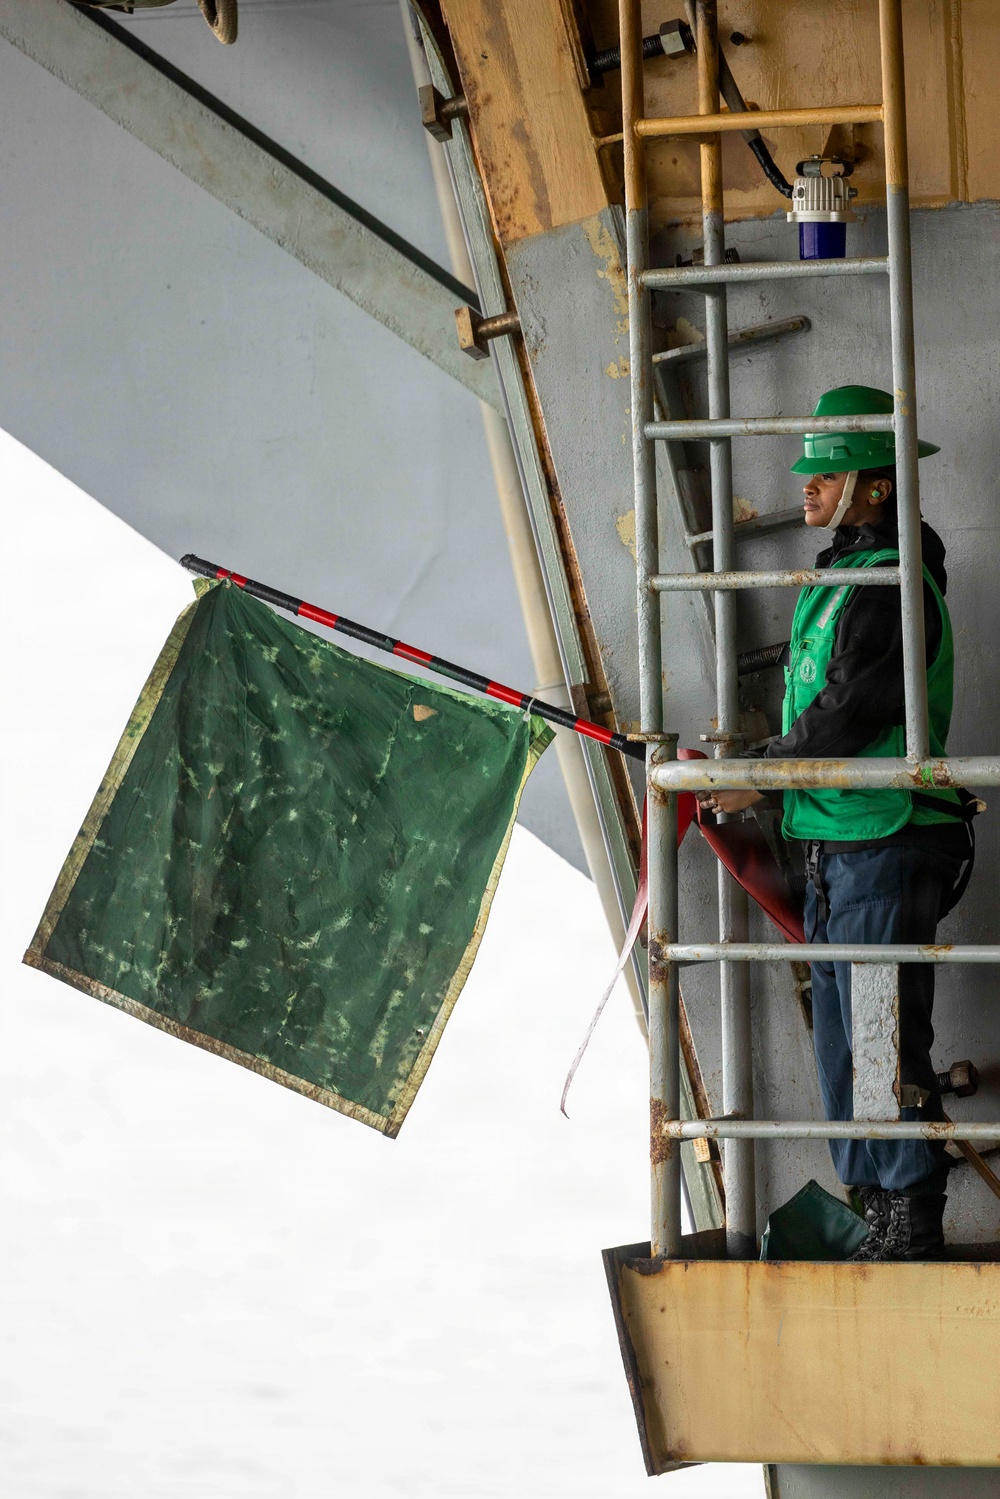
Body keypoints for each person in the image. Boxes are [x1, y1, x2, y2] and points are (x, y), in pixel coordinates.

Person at [698, 385, 975, 1262]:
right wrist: (772, 778)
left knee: (881, 1038)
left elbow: (853, 709)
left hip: (882, 842)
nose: (806, 484)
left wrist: (763, 779)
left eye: (826, 472)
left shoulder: (893, 581)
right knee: (844, 1048)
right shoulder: (847, 574)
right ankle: (879, 1208)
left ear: (875, 486)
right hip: (839, 846)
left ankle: (909, 1222)